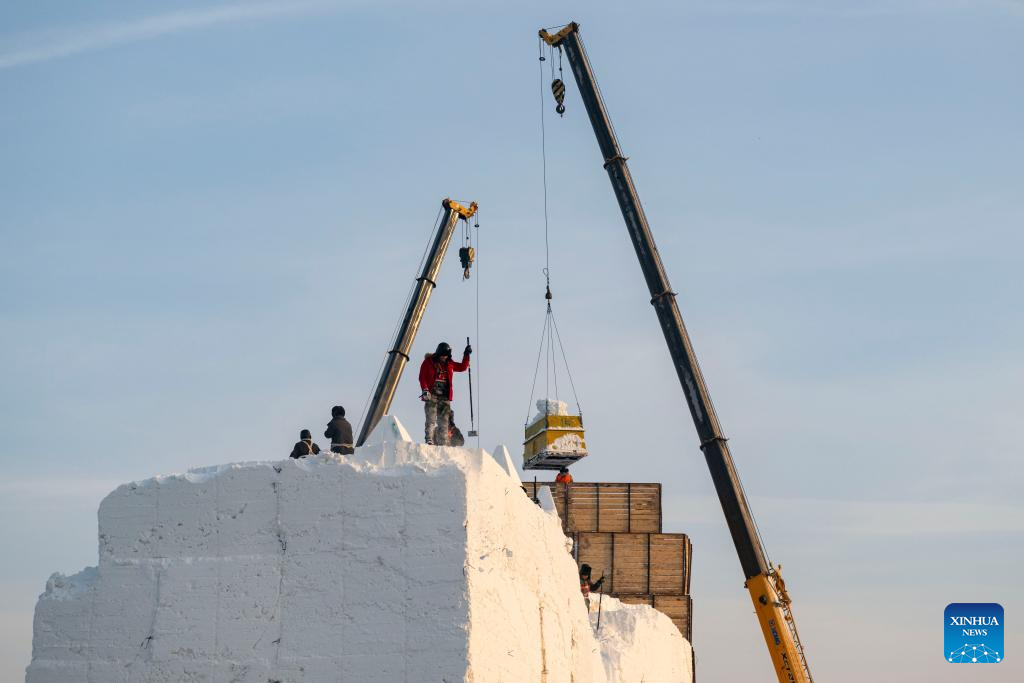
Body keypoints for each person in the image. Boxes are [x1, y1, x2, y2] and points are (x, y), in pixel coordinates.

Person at [418, 341, 470, 445]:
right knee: (431, 416)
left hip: (444, 395)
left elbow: (463, 367)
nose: (444, 358)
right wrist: (425, 389)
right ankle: (429, 439)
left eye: (446, 356)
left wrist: (466, 354)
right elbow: (422, 377)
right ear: (438, 353)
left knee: (444, 420)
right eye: (442, 356)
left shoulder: (450, 364)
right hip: (431, 393)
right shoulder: (428, 362)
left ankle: (443, 442)